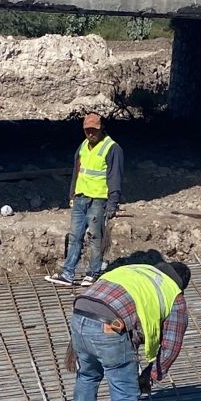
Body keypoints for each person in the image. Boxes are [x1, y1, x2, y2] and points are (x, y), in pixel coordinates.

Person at [69, 260, 189, 401]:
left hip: (79, 314)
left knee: (88, 374)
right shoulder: (174, 294)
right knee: (124, 393)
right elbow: (171, 345)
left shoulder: (134, 270)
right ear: (181, 285)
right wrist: (150, 376)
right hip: (110, 327)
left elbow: (98, 296)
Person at [46, 113, 124, 287]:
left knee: (95, 238)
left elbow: (115, 177)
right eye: (87, 130)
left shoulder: (112, 148)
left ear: (101, 128)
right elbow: (77, 170)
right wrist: (72, 193)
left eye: (93, 130)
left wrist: (113, 202)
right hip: (81, 198)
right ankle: (68, 273)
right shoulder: (83, 146)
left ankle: (93, 273)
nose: (90, 134)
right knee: (75, 236)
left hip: (98, 200)